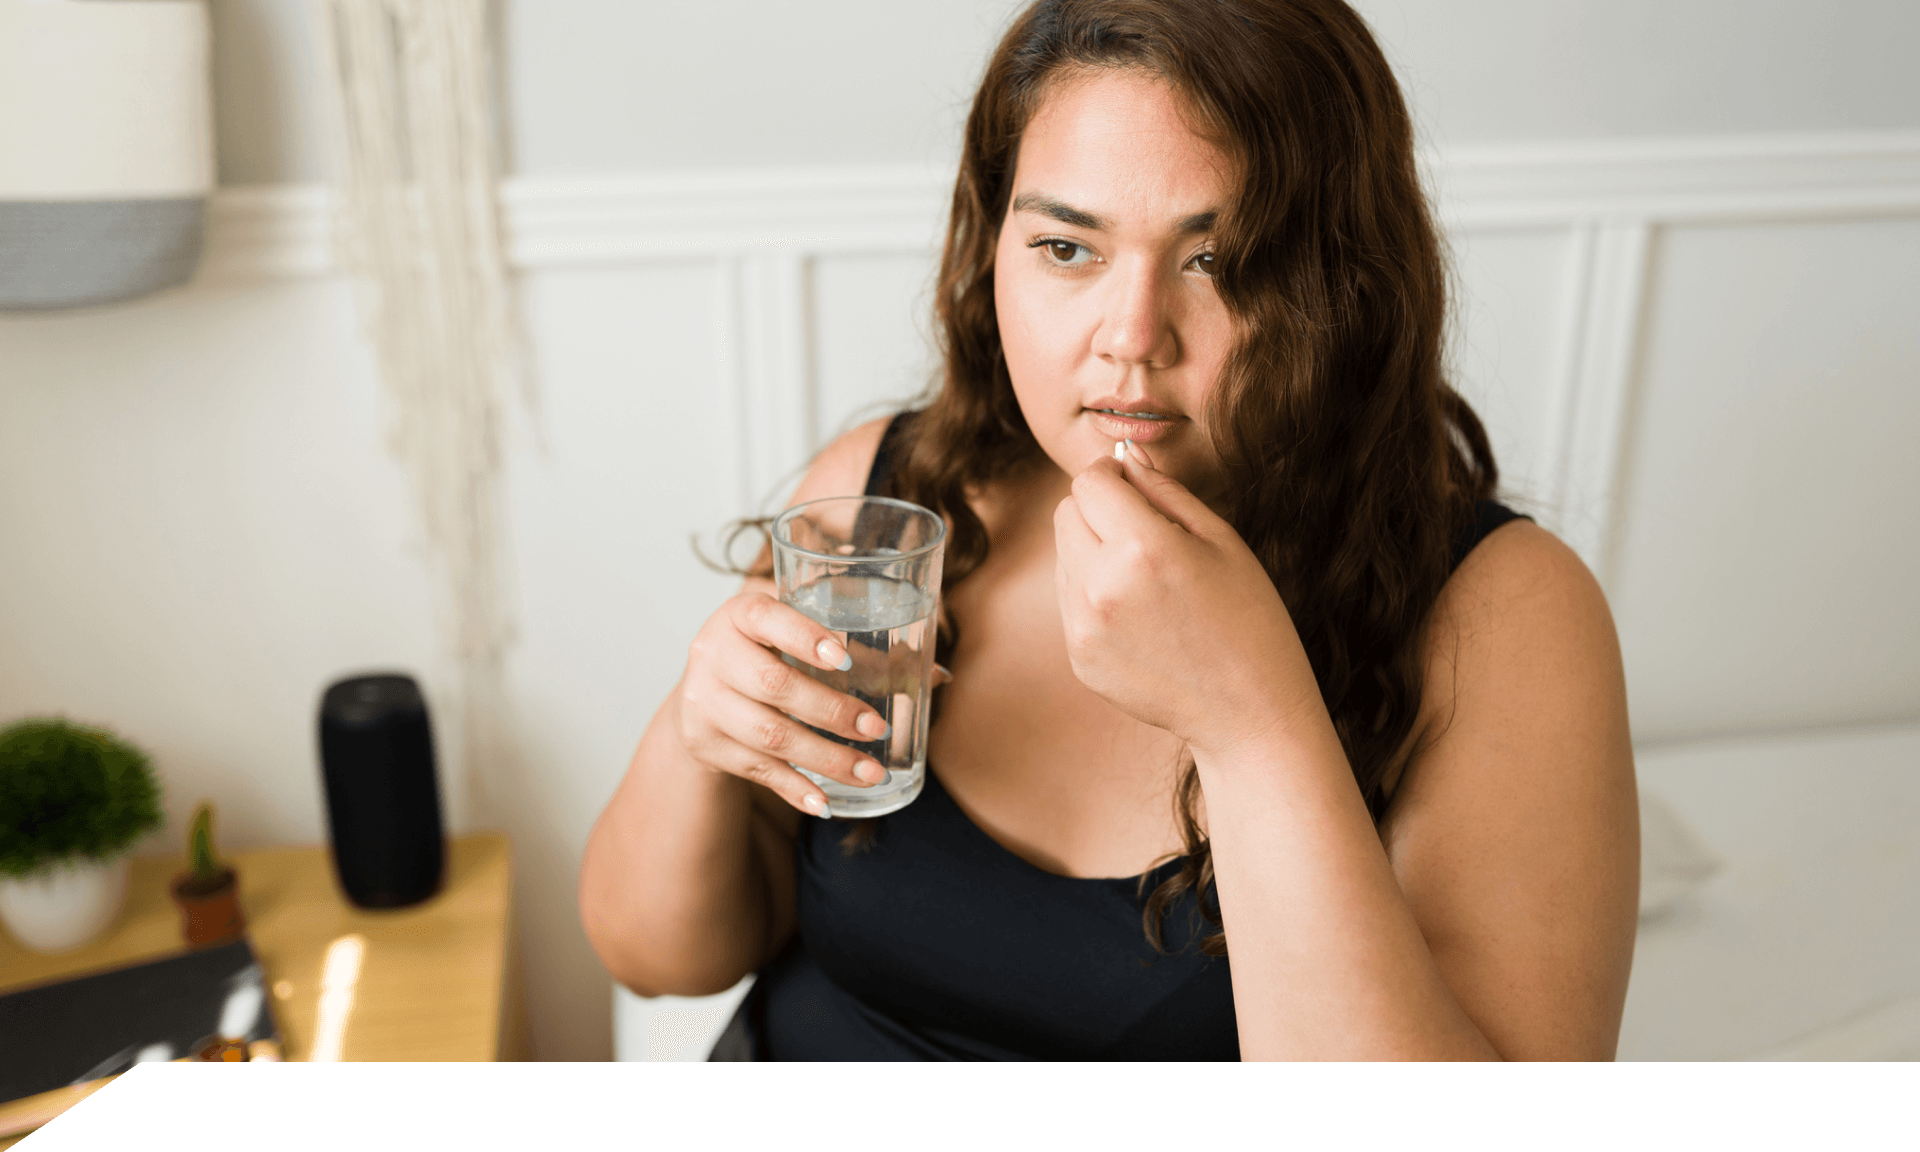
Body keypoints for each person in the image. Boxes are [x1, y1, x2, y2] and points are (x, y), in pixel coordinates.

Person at [579, 0, 1638, 1061]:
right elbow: (657, 958)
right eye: (1066, 247)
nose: (1132, 338)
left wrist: (1253, 724)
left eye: (1219, 259)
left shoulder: (1503, 611)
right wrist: (696, 730)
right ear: (992, 247)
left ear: (1350, 282)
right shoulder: (886, 501)